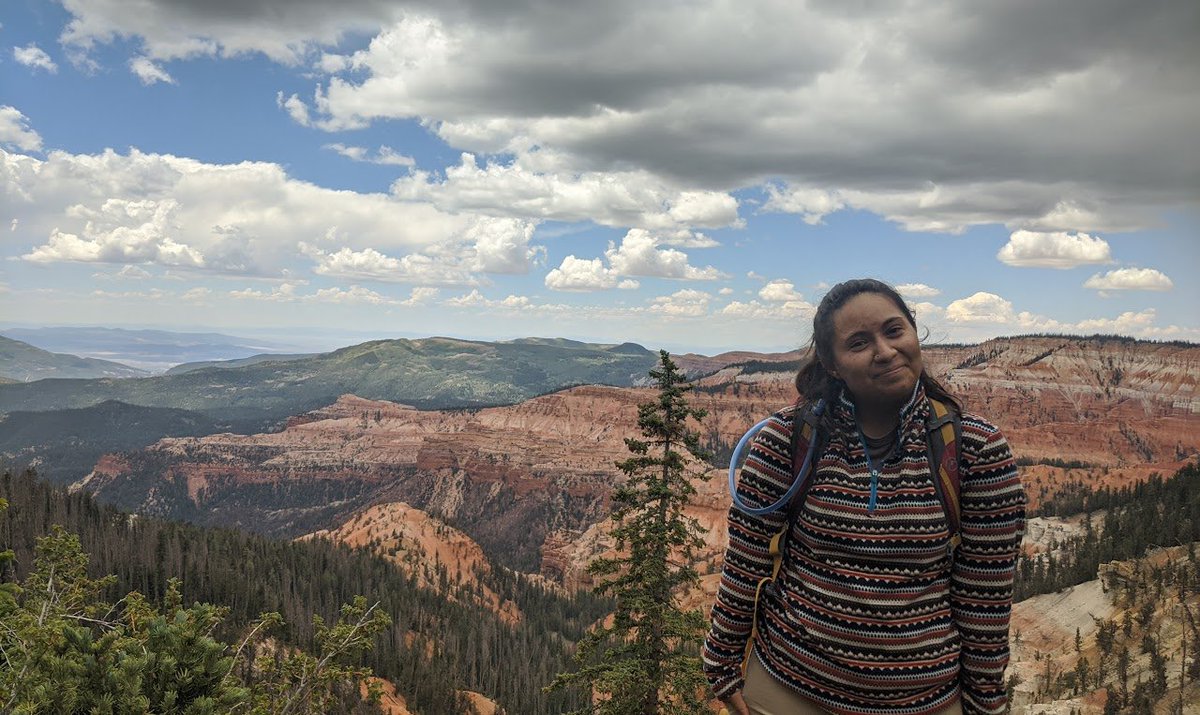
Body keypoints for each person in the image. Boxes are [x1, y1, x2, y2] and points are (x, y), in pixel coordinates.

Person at [702, 278, 1026, 715]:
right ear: (833, 364)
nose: (885, 351)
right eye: (859, 342)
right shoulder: (786, 439)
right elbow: (747, 560)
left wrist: (985, 702)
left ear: (914, 332)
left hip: (922, 701)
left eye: (894, 331)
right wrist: (720, 663)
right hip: (786, 688)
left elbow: (984, 597)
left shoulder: (975, 449)